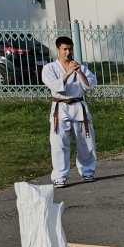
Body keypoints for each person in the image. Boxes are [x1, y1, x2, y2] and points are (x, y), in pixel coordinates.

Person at [41, 36, 98, 187]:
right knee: (59, 143)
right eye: (64, 49)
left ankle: (88, 171)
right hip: (60, 107)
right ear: (58, 50)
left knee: (86, 141)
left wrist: (79, 72)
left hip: (78, 106)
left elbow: (90, 85)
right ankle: (60, 176)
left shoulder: (80, 67)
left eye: (70, 49)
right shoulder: (49, 68)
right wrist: (67, 73)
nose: (68, 52)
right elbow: (55, 86)